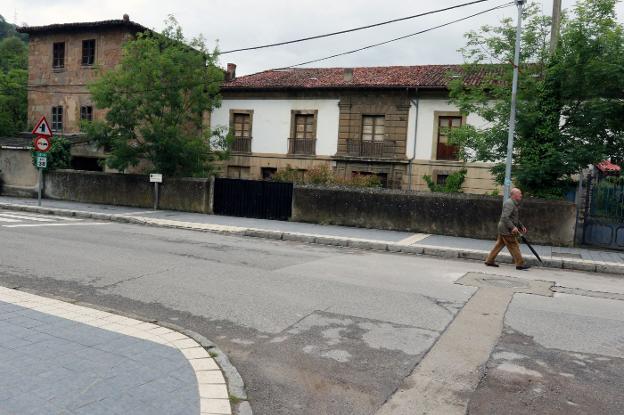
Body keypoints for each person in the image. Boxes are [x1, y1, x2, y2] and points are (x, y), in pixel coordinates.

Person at [485, 187, 530, 270]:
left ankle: (489, 260)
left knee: (499, 245)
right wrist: (513, 227)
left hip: (504, 228)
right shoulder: (509, 203)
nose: (521, 195)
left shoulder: (513, 203)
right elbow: (505, 217)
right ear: (514, 195)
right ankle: (520, 264)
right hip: (506, 229)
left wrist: (521, 226)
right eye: (519, 193)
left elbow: (514, 218)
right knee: (514, 245)